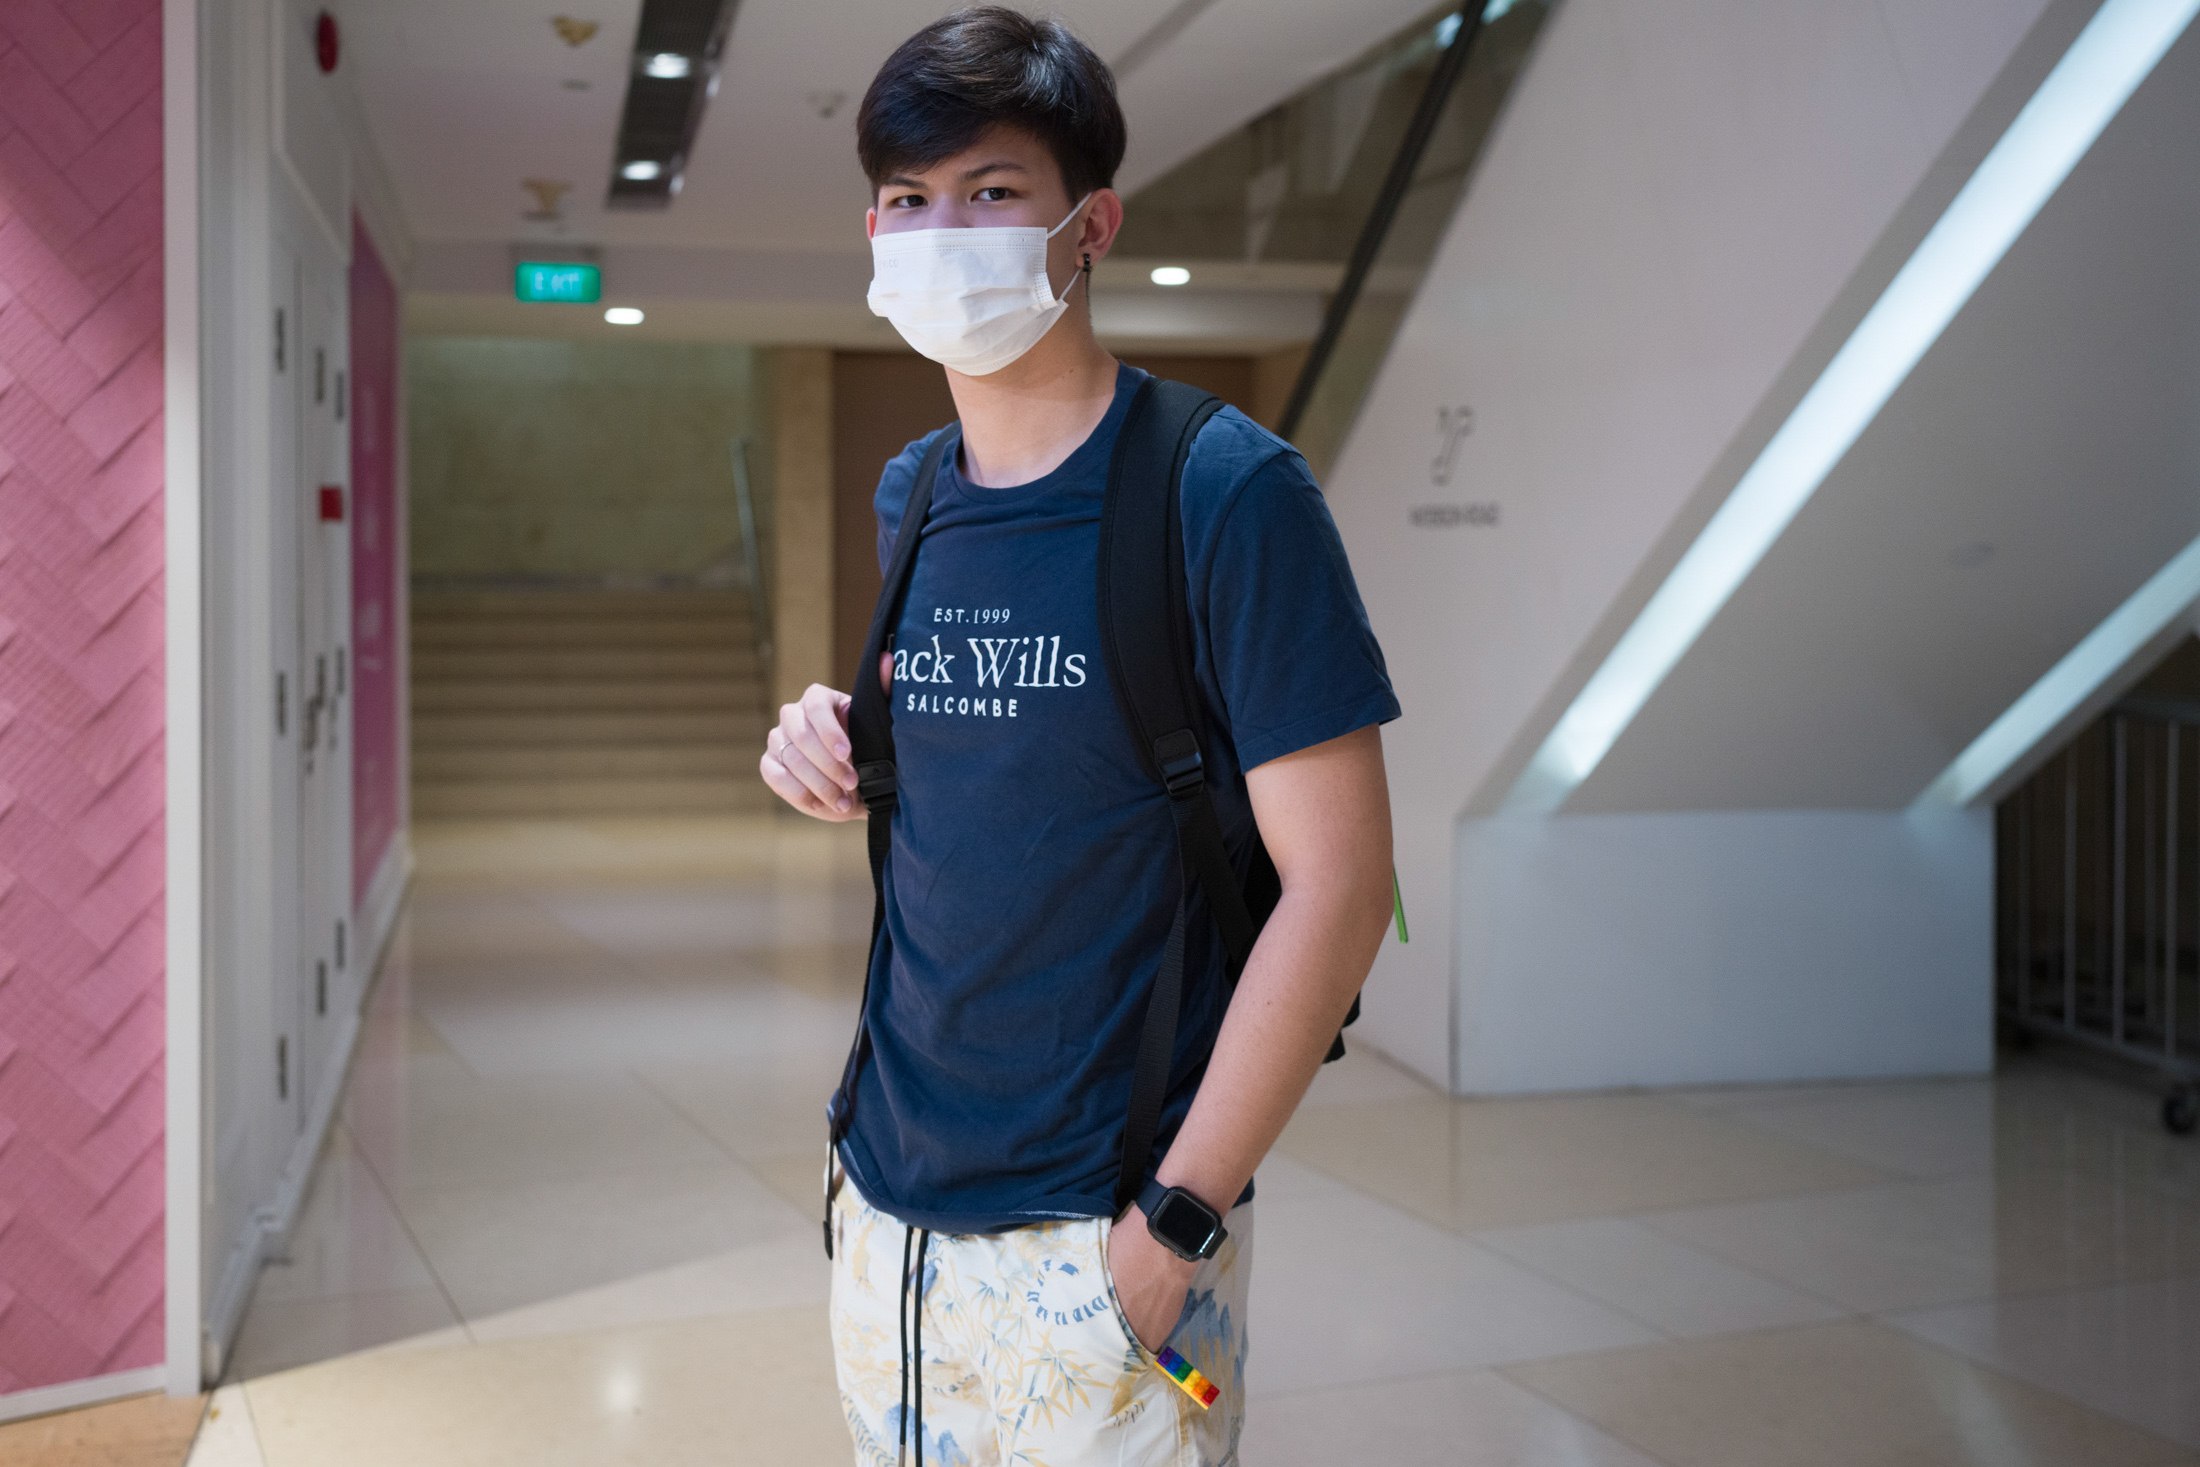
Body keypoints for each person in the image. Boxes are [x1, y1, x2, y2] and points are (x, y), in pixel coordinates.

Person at [759, 9, 1399, 1464]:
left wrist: (1177, 1220)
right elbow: (1001, 769)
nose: (943, 231)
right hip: (885, 1206)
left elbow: (1344, 887)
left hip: (1106, 1225)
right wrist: (835, 738)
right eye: (909, 201)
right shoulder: (914, 491)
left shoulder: (1227, 491)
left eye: (992, 192)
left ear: (1090, 222)